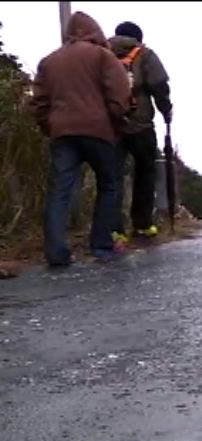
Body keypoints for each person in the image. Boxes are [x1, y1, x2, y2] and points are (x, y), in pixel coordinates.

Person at [30, 12, 131, 266]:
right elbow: (119, 96)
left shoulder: (49, 61)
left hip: (63, 133)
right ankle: (101, 246)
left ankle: (56, 253)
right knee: (108, 185)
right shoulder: (103, 56)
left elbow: (39, 103)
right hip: (99, 131)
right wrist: (117, 123)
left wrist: (50, 126)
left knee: (60, 191)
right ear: (94, 31)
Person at [108, 21, 173, 242]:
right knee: (145, 172)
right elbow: (159, 85)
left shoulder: (101, 53)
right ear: (138, 38)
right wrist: (166, 110)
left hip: (110, 125)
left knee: (111, 177)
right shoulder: (144, 54)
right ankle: (142, 225)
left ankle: (113, 230)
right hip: (140, 124)